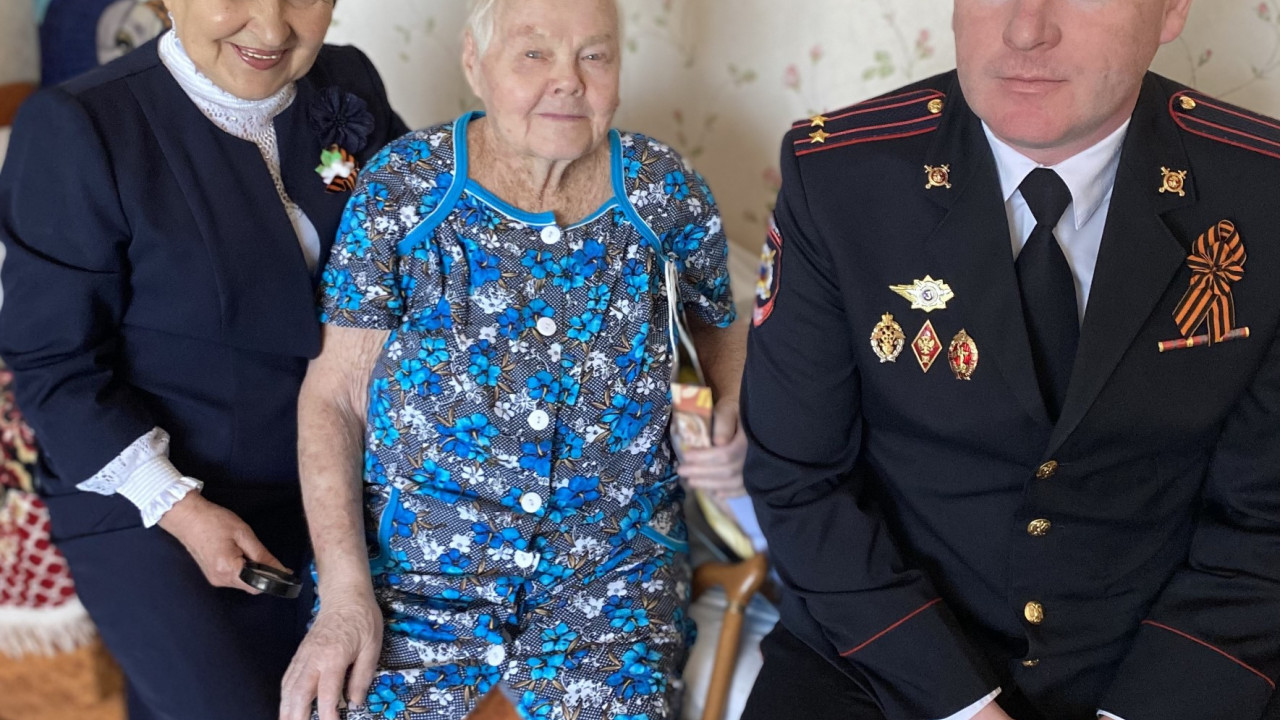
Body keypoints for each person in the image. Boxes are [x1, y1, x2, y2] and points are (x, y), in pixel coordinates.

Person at [739, 0, 1280, 718]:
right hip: (885, 661)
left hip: (1166, 665)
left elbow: (1264, 521)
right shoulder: (841, 176)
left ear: (1172, 9)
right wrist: (962, 707)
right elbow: (800, 481)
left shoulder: (1261, 191)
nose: (1027, 30)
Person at [278, 1, 745, 719]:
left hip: (609, 576)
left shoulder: (665, 192)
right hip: (418, 577)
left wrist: (714, 418)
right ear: (476, 62)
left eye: (595, 55)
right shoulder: (404, 188)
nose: (569, 80)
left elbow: (706, 335)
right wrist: (345, 595)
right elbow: (335, 397)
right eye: (534, 53)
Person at [0, 0, 406, 716]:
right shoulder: (81, 126)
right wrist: (181, 509)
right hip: (148, 503)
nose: (272, 28)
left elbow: (413, 232)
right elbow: (52, 363)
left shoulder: (347, 85)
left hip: (326, 488)